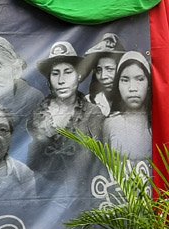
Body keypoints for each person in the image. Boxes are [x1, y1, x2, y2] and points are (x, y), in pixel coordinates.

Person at [26, 41, 104, 196]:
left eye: (68, 72)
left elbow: (98, 163)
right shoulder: (36, 115)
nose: (61, 80)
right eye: (55, 74)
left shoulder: (92, 113)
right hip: (44, 198)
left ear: (79, 75)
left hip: (82, 197)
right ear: (49, 79)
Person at [103, 51, 152, 164]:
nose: (132, 88)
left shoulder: (160, 122)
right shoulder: (110, 124)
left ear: (149, 84)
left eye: (139, 79)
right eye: (125, 80)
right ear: (118, 85)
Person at [84, 33, 127, 116]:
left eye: (109, 69)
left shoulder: (133, 101)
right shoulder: (87, 102)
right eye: (99, 70)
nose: (103, 76)